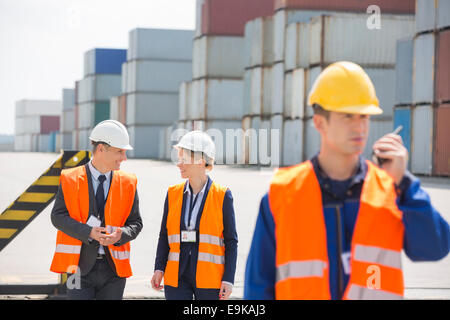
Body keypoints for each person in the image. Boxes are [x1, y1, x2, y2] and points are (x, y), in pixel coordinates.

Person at [244, 61, 450, 300]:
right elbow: (258, 288)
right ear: (320, 122)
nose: (359, 125)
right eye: (348, 116)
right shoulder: (283, 195)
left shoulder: (391, 190)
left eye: (364, 116)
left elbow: (435, 248)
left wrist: (404, 183)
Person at [50, 120, 143, 300]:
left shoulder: (128, 182)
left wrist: (120, 234)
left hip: (114, 271)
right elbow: (57, 217)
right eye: (119, 151)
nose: (124, 158)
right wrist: (88, 232)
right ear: (101, 149)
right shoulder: (69, 179)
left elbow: (136, 223)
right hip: (76, 269)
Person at [151, 130, 238, 300]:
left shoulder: (222, 195)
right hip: (177, 277)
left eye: (184, 159)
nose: (179, 164)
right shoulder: (173, 193)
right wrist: (159, 268)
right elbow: (164, 235)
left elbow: (231, 241)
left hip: (209, 279)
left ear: (201, 160)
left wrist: (228, 279)